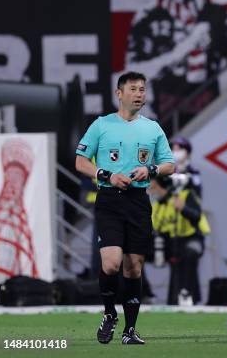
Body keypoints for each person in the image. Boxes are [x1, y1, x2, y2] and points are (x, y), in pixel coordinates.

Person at [75, 71, 175, 345]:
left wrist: (150, 169)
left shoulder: (152, 128)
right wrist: (106, 175)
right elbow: (80, 161)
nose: (140, 94)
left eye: (143, 89)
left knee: (133, 268)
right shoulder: (101, 125)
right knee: (111, 263)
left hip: (138, 202)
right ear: (119, 94)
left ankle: (130, 330)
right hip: (109, 199)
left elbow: (170, 164)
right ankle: (109, 314)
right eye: (134, 89)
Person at [150, 174, 209, 305]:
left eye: (152, 182)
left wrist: (183, 209)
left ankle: (186, 293)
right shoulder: (157, 204)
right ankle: (144, 294)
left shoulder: (186, 195)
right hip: (168, 244)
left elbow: (196, 216)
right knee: (133, 251)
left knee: (189, 253)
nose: (149, 186)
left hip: (190, 239)